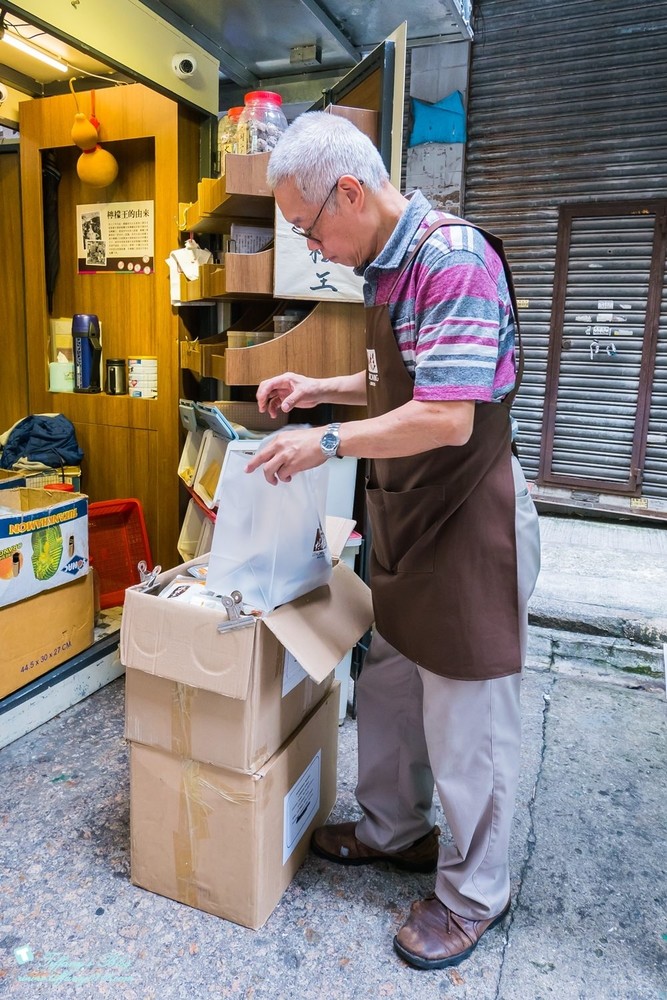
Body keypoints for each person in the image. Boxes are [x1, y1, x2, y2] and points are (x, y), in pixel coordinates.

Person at [245, 111, 541, 971]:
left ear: (347, 191)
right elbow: (399, 376)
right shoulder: (387, 269)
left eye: (306, 228)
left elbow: (446, 414)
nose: (312, 245)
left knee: (468, 722)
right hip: (410, 516)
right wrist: (321, 389)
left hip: (466, 521)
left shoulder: (449, 261)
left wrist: (327, 441)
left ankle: (472, 896)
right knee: (389, 685)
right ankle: (395, 830)